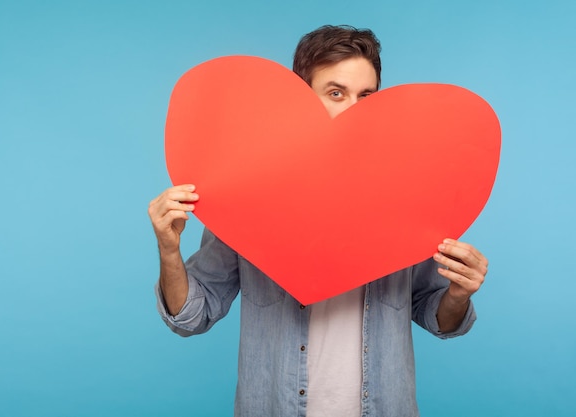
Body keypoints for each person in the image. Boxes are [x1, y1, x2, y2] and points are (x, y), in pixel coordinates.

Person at [148, 25, 488, 417]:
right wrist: (169, 250)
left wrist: (458, 296)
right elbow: (192, 316)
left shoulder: (410, 197)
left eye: (366, 96)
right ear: (301, 100)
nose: (354, 110)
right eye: (335, 93)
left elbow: (435, 313)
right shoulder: (247, 198)